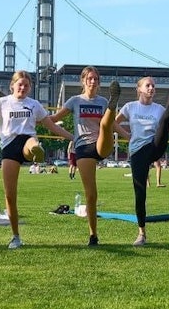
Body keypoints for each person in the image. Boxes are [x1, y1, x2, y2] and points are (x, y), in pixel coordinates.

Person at [0, 70, 73, 249]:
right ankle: (15, 236)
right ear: (12, 85)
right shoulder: (2, 103)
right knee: (10, 195)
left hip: (27, 139)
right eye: (20, 84)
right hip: (9, 146)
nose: (23, 87)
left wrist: (73, 137)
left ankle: (36, 151)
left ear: (30, 88)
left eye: (26, 85)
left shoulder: (34, 105)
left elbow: (51, 126)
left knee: (32, 143)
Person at [115, 58, 169, 246]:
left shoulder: (158, 109)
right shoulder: (130, 107)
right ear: (139, 89)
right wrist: (128, 136)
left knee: (165, 119)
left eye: (153, 86)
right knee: (140, 193)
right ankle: (141, 233)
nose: (151, 88)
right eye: (148, 86)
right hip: (138, 151)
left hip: (155, 146)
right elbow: (112, 123)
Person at [50, 66, 122, 246]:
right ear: (83, 81)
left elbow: (114, 126)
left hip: (101, 144)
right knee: (91, 195)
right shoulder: (75, 101)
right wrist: (36, 118)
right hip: (83, 147)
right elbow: (54, 117)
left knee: (106, 125)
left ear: (98, 82)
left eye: (96, 79)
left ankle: (114, 105)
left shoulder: (103, 101)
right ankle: (93, 235)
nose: (93, 81)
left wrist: (128, 135)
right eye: (89, 78)